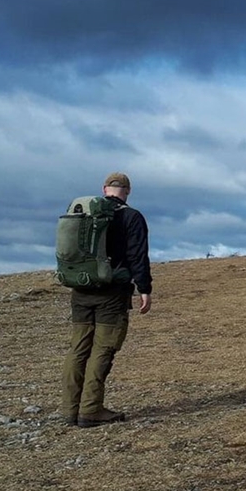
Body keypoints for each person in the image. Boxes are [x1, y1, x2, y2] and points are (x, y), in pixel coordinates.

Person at [61, 172, 152, 428]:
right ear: (128, 190)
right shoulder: (131, 217)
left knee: (78, 349)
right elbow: (137, 255)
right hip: (112, 293)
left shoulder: (83, 213)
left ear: (104, 189)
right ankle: (90, 410)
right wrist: (144, 288)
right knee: (103, 349)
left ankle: (69, 409)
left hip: (81, 289)